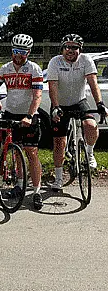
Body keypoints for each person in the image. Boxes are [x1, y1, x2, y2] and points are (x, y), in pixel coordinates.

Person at [0, 33, 44, 210]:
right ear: (11, 51)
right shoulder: (5, 68)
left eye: (23, 51)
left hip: (28, 115)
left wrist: (30, 116)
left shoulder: (34, 69)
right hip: (11, 113)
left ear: (28, 52)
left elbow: (37, 95)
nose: (18, 55)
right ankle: (19, 185)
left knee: (32, 153)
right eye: (16, 51)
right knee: (16, 150)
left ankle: (36, 191)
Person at [47, 34, 108, 189]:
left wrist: (100, 104)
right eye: (67, 47)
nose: (70, 50)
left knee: (91, 125)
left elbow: (93, 82)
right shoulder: (55, 62)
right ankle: (58, 179)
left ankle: (89, 153)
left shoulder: (86, 60)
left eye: (74, 47)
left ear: (80, 49)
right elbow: (52, 86)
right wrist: (55, 107)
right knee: (59, 143)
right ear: (62, 48)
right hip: (60, 104)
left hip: (79, 101)